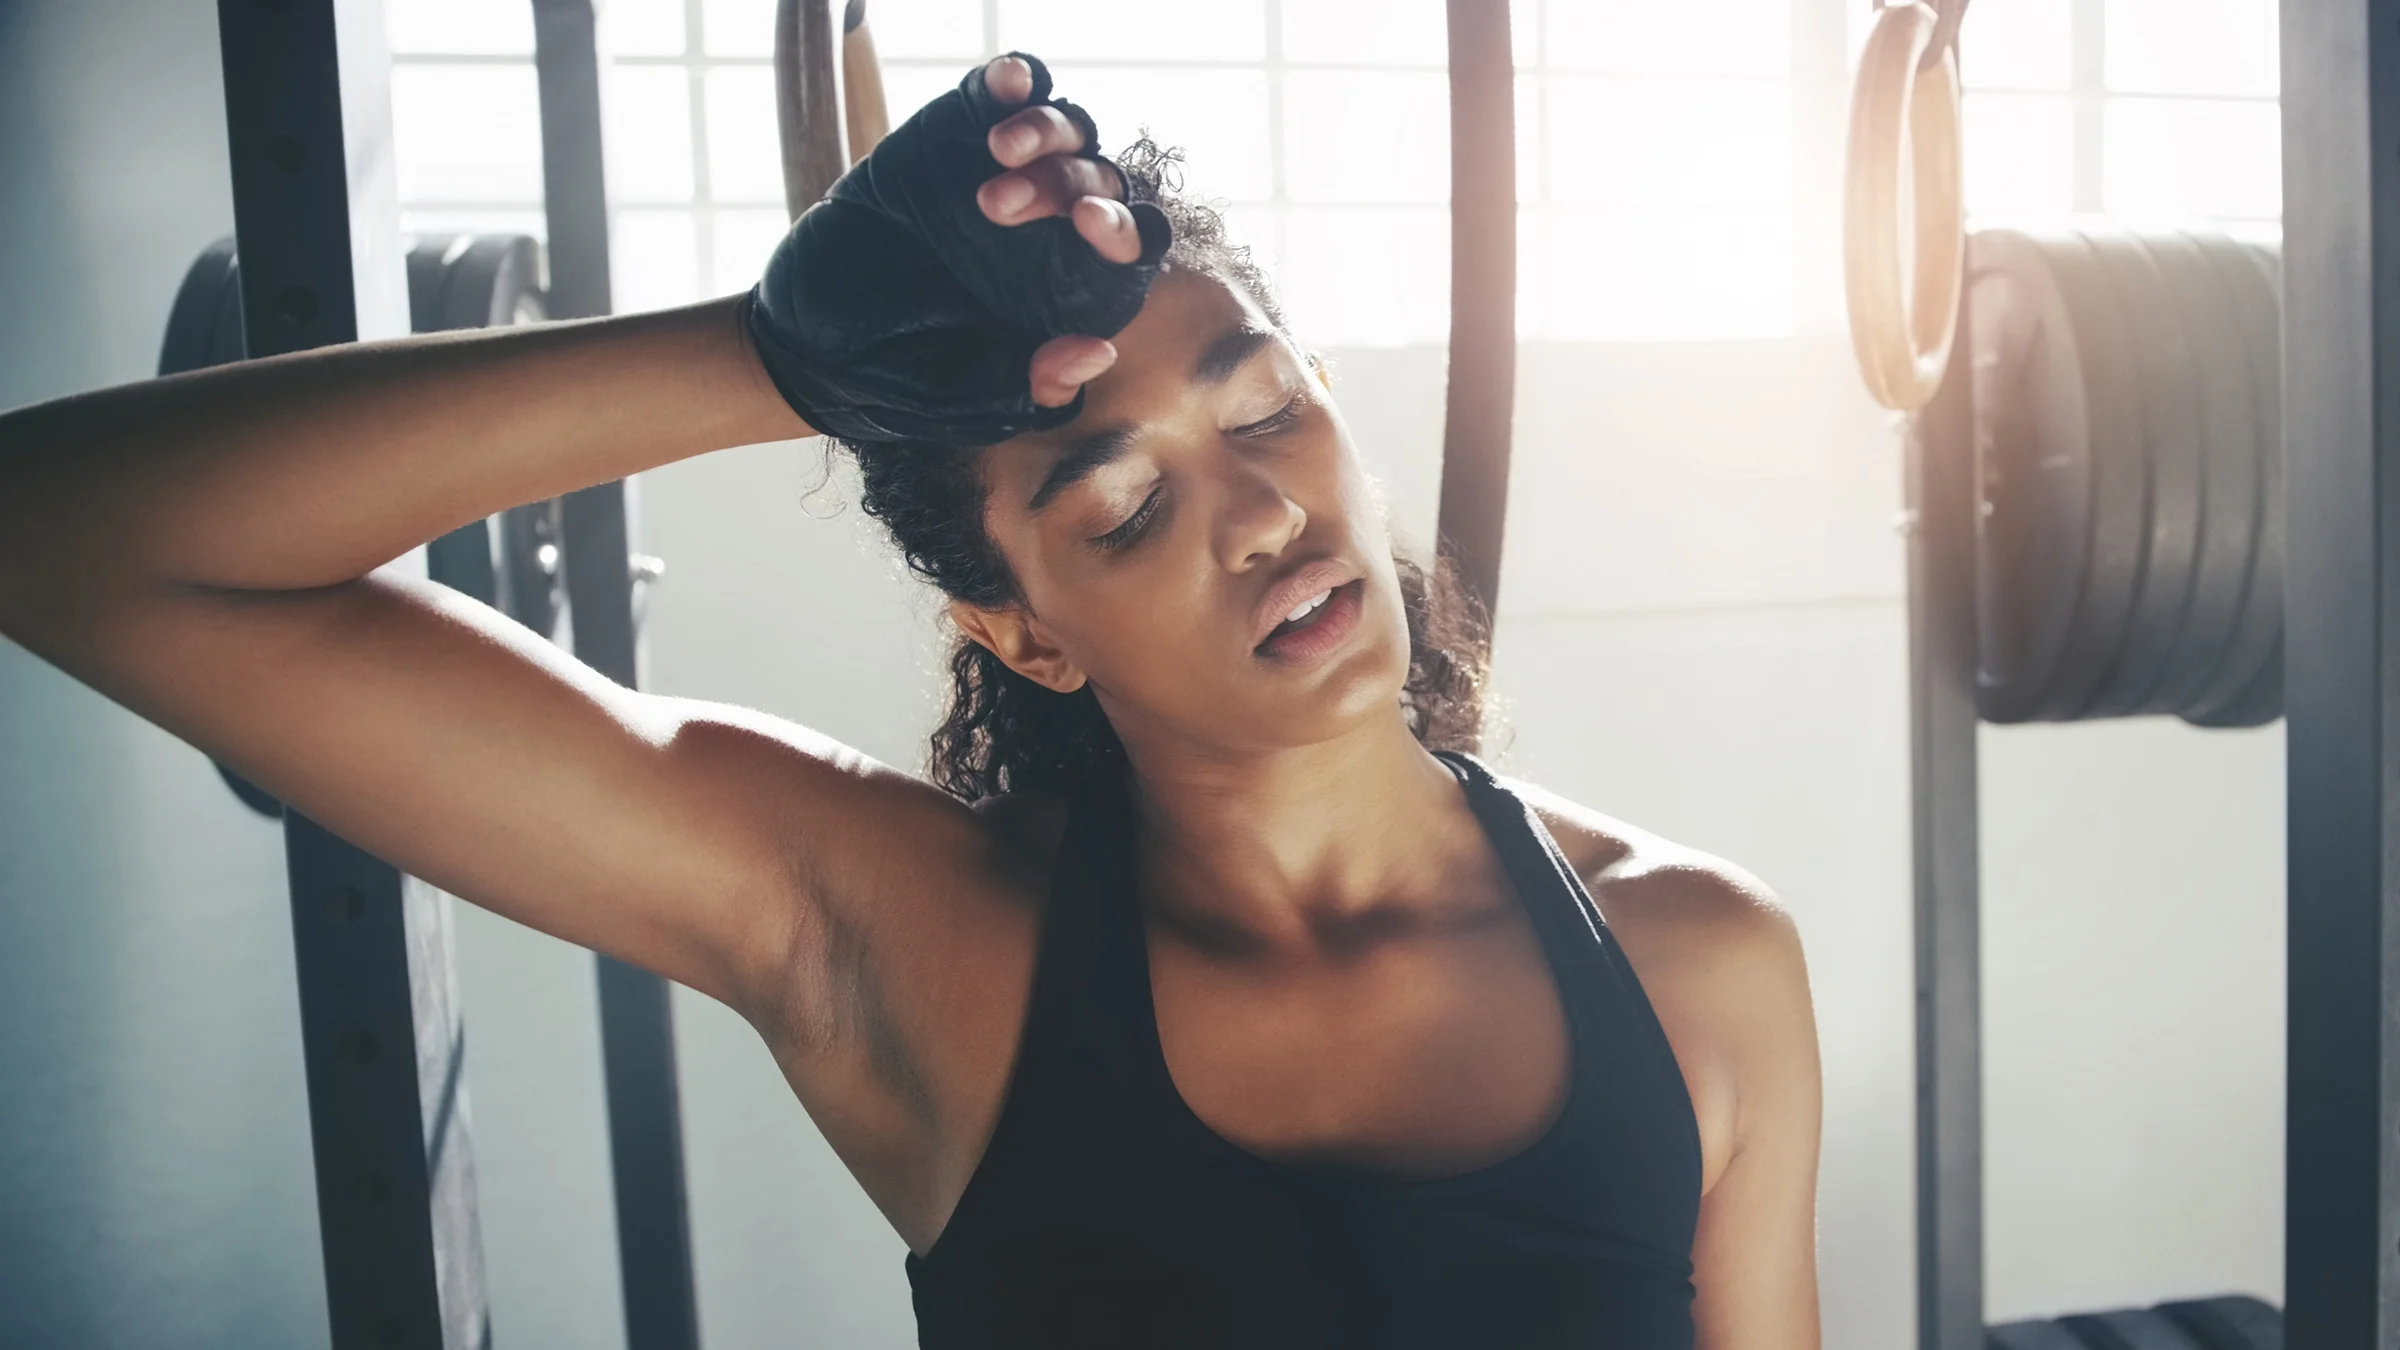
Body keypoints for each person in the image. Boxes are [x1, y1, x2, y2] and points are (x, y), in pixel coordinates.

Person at [0, 52, 1821, 1349]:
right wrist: (771, 356)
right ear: (1020, 626)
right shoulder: (904, 939)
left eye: (1267, 407)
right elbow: (68, 540)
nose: (1265, 514)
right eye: (1120, 504)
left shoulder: (1703, 961)